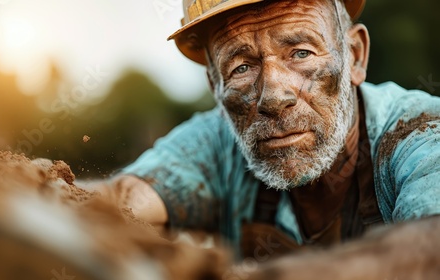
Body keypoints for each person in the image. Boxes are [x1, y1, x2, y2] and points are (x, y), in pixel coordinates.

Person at [99, 0, 440, 267]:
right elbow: (114, 206)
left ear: (354, 56)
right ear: (215, 87)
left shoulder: (421, 132)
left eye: (301, 53)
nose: (274, 97)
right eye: (241, 67)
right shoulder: (215, 143)